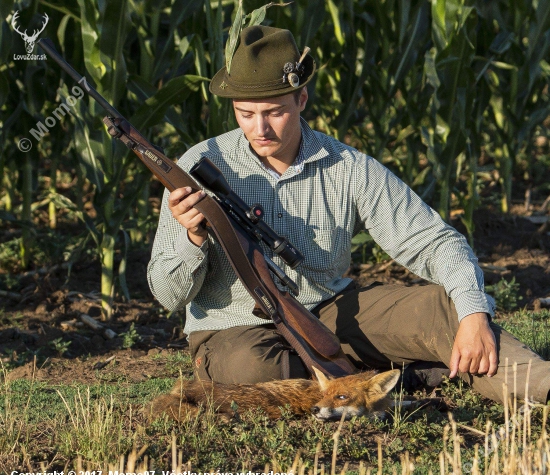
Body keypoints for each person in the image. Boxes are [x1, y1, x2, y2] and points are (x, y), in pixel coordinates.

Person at [148, 25, 550, 405]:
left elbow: (432, 240)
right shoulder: (199, 166)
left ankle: (537, 385)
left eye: (274, 112)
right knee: (253, 368)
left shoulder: (347, 166)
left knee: (443, 310)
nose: (260, 129)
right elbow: (168, 296)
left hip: (326, 313)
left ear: (301, 100)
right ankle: (387, 377)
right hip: (233, 329)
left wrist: (474, 313)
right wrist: (192, 238)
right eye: (245, 113)